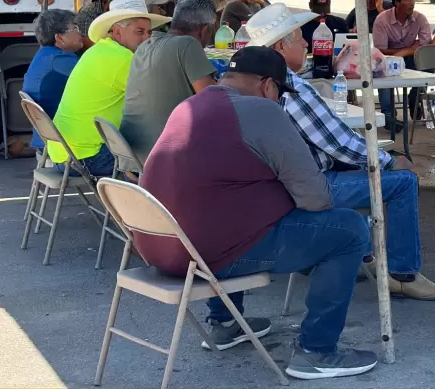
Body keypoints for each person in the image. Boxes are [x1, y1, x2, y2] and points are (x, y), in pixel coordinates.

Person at [137, 46, 377, 379]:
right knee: (349, 230)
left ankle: (225, 324)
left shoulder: (190, 105)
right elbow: (316, 198)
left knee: (232, 211)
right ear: (268, 85)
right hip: (206, 255)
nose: (280, 101)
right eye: (280, 93)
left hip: (160, 247)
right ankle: (317, 351)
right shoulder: (264, 111)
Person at [246, 3, 435, 301]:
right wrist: (387, 160)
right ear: (281, 46)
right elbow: (338, 143)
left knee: (360, 163)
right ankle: (402, 274)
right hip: (307, 189)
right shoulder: (289, 87)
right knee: (402, 180)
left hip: (278, 186)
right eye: (299, 37)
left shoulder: (249, 83)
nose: (307, 42)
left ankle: (361, 254)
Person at [48, 0, 169, 175]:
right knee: (166, 156)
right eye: (139, 32)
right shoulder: (123, 59)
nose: (147, 39)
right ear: (117, 32)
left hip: (64, 153)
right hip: (87, 157)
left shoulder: (100, 50)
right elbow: (160, 99)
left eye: (149, 32)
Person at [120, 0, 218, 167]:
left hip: (133, 161)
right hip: (163, 165)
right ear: (204, 29)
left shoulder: (145, 46)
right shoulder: (188, 45)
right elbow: (215, 101)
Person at [22, 9, 84, 151]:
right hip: (64, 144)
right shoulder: (60, 60)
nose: (80, 32)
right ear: (59, 38)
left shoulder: (46, 55)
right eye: (74, 28)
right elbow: (97, 81)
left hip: (47, 139)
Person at [373, 0, 431, 129]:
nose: (412, 3)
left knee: (429, 63)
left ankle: (414, 97)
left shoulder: (420, 18)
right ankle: (388, 116)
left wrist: (404, 52)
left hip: (411, 58)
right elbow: (381, 49)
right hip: (389, 59)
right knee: (383, 70)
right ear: (397, 3)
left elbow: (424, 46)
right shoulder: (382, 20)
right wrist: (408, 49)